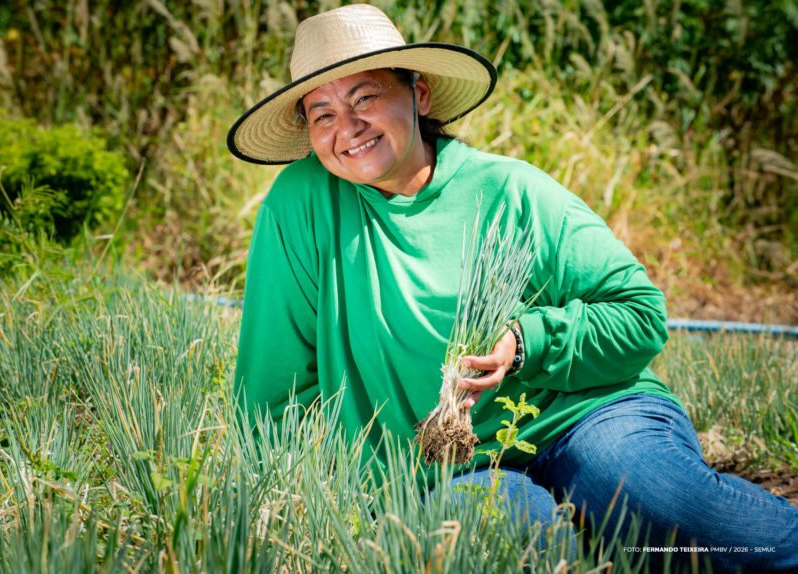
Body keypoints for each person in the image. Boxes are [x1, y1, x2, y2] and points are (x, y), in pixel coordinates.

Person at [227, 4, 797, 572]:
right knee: (517, 545)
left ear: (419, 94)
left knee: (670, 514)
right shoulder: (301, 205)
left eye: (365, 98)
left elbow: (641, 314)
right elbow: (272, 391)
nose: (347, 128)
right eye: (322, 114)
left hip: (586, 417)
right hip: (449, 467)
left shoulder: (510, 190)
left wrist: (525, 342)